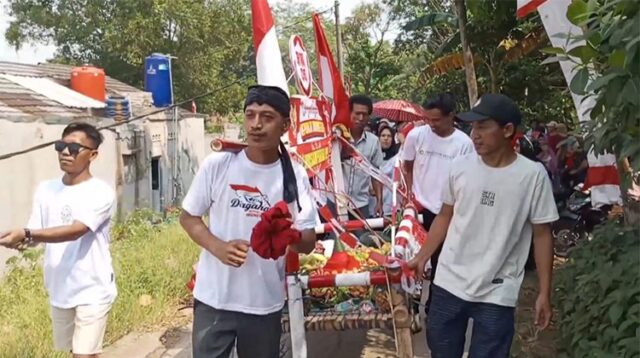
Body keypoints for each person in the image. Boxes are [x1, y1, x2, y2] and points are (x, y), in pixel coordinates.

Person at [409, 94, 558, 358]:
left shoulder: (532, 177)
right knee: (442, 351)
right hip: (449, 282)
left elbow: (542, 235)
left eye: (483, 126)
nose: (474, 134)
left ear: (508, 130)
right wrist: (422, 256)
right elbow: (444, 216)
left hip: (497, 290)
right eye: (472, 127)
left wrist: (544, 293)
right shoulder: (460, 167)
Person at [180, 85, 318, 358]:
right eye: (250, 115)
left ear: (285, 126)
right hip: (214, 299)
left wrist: (288, 235)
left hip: (263, 304)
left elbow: (309, 242)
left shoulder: (294, 175)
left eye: (267, 117)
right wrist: (218, 247)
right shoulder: (219, 165)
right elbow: (188, 217)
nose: (256, 125)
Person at [0, 123, 116, 358]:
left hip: (92, 288)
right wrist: (17, 239)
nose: (65, 152)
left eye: (74, 148)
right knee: (76, 351)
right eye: (61, 146)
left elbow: (76, 230)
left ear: (92, 155)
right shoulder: (46, 189)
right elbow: (35, 233)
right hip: (60, 288)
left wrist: (28, 234)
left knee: (83, 354)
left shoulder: (100, 192)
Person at [401, 93, 474, 313]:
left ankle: (434, 307)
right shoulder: (416, 136)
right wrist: (409, 198)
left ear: (451, 116)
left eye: (436, 120)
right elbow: (407, 165)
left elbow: (466, 180)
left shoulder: (464, 144)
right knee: (413, 259)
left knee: (439, 262)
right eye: (427, 119)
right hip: (419, 209)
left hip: (446, 212)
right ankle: (411, 308)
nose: (431, 124)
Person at [331, 94, 384, 221]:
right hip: (336, 203)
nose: (360, 118)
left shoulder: (374, 142)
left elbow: (376, 175)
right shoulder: (336, 138)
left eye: (364, 114)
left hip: (361, 206)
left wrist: (379, 201)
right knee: (335, 240)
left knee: (362, 240)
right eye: (357, 113)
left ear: (369, 116)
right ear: (349, 113)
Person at [368, 125, 400, 217]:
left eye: (389, 136)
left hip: (390, 206)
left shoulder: (397, 158)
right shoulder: (371, 157)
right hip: (372, 204)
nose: (386, 138)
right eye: (383, 135)